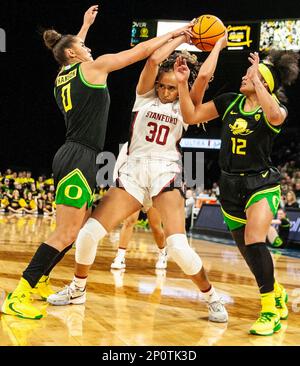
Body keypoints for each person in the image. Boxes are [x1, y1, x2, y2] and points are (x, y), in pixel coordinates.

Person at [1, 5, 194, 320]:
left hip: (75, 152)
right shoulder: (94, 67)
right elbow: (140, 51)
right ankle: (21, 291)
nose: (89, 49)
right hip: (80, 155)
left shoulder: (63, 75)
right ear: (75, 55)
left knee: (75, 229)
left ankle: (41, 281)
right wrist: (176, 35)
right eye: (84, 47)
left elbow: (67, 50)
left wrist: (83, 27)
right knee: (65, 232)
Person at [47, 31, 228, 323]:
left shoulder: (184, 105)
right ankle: (78, 288)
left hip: (165, 171)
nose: (166, 91)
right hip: (132, 170)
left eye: (171, 87)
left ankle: (212, 297)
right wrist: (181, 38)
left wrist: (217, 45)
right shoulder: (144, 96)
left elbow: (204, 78)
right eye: (163, 85)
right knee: (88, 233)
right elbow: (154, 58)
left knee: (178, 247)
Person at [174, 39, 299, 335]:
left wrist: (260, 82)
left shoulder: (274, 110)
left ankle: (269, 309)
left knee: (256, 240)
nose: (245, 76)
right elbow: (191, 116)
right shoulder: (230, 100)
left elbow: (275, 115)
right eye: (247, 74)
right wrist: (182, 85)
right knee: (248, 253)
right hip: (229, 185)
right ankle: (276, 290)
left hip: (261, 183)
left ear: (263, 84)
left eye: (252, 75)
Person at [110, 142, 167, 270]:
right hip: (133, 187)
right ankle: (120, 256)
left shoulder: (162, 145)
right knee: (129, 221)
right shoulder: (129, 143)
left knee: (155, 226)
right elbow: (118, 166)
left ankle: (163, 253)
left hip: (153, 189)